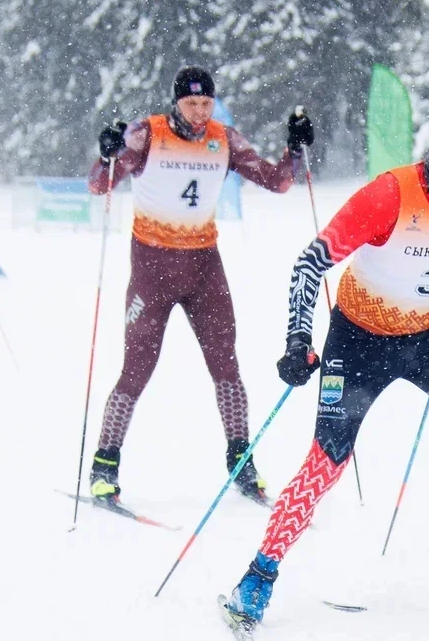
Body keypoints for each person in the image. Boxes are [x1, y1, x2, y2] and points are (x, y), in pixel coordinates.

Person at [226, 98, 429, 624]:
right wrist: (298, 339)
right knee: (327, 462)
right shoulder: (390, 195)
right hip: (360, 339)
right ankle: (259, 574)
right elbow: (309, 265)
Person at [85, 65, 308, 505]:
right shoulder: (147, 134)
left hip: (204, 267)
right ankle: (104, 464)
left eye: (207, 102)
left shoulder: (223, 139)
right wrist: (106, 154)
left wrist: (295, 149)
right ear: (176, 102)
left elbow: (278, 182)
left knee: (226, 365)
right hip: (152, 270)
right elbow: (99, 185)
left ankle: (241, 460)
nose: (200, 112)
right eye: (192, 103)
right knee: (137, 369)